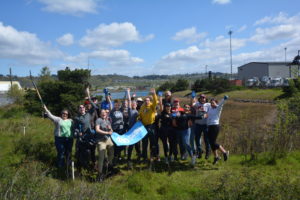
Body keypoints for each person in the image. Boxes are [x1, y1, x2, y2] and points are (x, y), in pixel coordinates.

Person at [43, 105, 73, 170]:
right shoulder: (58, 119)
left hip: (69, 139)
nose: (64, 114)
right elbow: (50, 115)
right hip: (59, 139)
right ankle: (60, 166)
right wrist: (46, 109)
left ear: (68, 115)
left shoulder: (71, 120)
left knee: (68, 153)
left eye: (66, 114)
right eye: (63, 113)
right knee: (61, 152)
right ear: (61, 114)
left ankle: (68, 166)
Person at [206, 96, 229, 165]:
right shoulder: (210, 108)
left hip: (215, 126)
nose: (212, 104)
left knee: (213, 142)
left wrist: (224, 99)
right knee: (211, 143)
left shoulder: (218, 108)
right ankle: (216, 157)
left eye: (213, 103)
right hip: (209, 126)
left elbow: (221, 103)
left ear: (216, 103)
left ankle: (224, 152)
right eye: (211, 103)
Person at [138, 88, 158, 163]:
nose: (147, 101)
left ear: (150, 101)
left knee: (152, 142)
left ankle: (152, 156)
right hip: (144, 127)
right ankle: (144, 157)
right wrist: (139, 118)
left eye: (148, 100)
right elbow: (139, 115)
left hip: (151, 126)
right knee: (144, 142)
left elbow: (155, 101)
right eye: (145, 100)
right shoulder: (142, 107)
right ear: (144, 101)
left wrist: (154, 94)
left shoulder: (152, 106)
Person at [95, 109, 114, 181]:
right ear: (100, 114)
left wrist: (110, 129)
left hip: (108, 140)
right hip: (101, 141)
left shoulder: (108, 121)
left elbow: (111, 131)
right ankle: (99, 174)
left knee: (111, 153)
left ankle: (109, 166)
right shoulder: (98, 120)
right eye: (102, 112)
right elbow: (97, 130)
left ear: (106, 114)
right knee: (101, 157)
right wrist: (107, 133)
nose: (104, 113)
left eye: (105, 112)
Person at [126, 88, 141, 168]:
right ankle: (128, 159)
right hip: (131, 130)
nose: (134, 104)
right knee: (131, 145)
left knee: (137, 145)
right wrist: (128, 92)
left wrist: (134, 97)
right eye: (133, 104)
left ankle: (139, 157)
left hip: (137, 131)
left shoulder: (138, 111)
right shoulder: (130, 110)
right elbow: (129, 100)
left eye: (135, 103)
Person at [192, 94, 211, 159]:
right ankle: (199, 152)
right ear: (199, 99)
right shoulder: (197, 104)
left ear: (205, 99)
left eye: (204, 98)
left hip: (205, 125)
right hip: (198, 125)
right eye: (201, 98)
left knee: (206, 140)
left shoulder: (208, 105)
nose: (202, 99)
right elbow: (192, 104)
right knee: (197, 139)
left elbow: (215, 107)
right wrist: (193, 96)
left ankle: (207, 153)